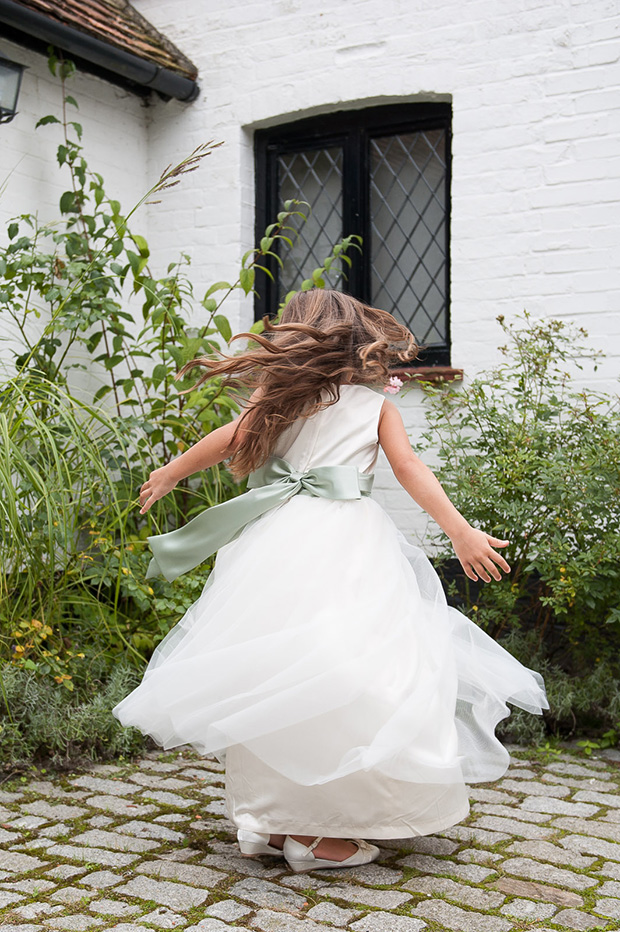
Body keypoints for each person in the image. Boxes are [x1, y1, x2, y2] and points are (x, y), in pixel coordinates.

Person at [113, 289, 548, 874]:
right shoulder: (372, 405)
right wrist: (460, 531)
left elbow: (231, 439)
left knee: (276, 669)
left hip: (277, 540)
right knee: (350, 670)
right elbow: (410, 469)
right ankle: (318, 835)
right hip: (346, 541)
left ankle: (270, 821)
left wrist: (170, 471)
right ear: (356, 338)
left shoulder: (284, 398)